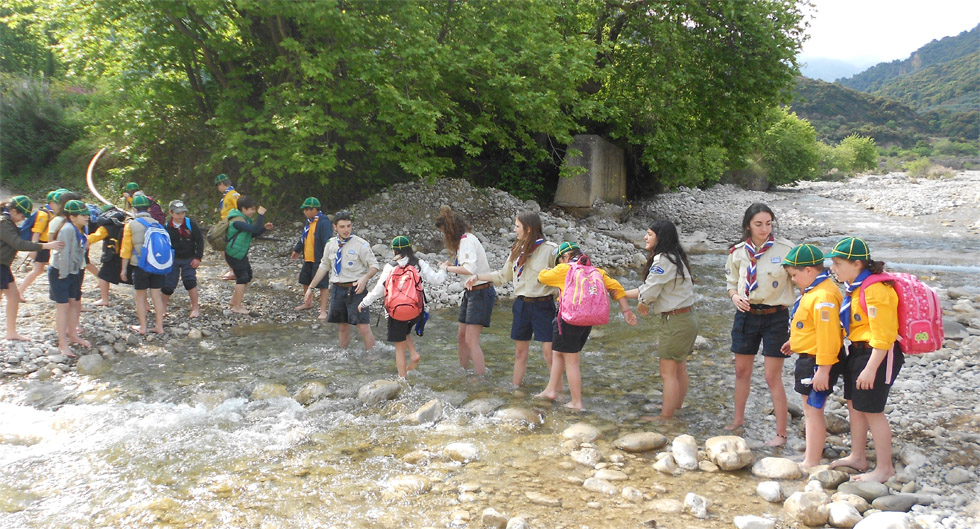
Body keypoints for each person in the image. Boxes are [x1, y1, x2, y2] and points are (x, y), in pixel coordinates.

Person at [828, 237, 904, 483]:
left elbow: (884, 335)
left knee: (872, 410)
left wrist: (871, 368)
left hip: (878, 354)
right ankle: (858, 456)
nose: (833, 269)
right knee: (855, 405)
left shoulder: (875, 289)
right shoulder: (856, 287)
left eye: (838, 264)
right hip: (858, 351)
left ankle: (885, 468)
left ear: (857, 264)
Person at [724, 203, 795, 446]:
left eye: (768, 223)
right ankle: (738, 420)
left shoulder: (786, 250)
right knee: (741, 371)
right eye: (758, 224)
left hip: (776, 316)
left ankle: (781, 433)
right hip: (746, 315)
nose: (765, 228)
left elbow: (802, 280)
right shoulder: (738, 252)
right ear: (748, 226)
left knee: (771, 377)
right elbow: (731, 282)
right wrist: (735, 296)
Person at [535, 242, 638, 410]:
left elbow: (543, 278)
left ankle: (576, 402)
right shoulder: (597, 271)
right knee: (558, 353)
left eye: (559, 260)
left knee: (572, 361)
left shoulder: (565, 269)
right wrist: (626, 311)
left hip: (567, 320)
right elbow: (617, 288)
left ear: (565, 257)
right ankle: (550, 390)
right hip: (587, 321)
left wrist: (545, 269)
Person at [466, 211, 558, 386]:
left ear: (529, 229)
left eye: (517, 226)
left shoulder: (550, 250)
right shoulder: (517, 250)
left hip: (544, 305)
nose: (514, 230)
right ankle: (516, 390)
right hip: (521, 305)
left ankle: (556, 393)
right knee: (519, 353)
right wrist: (478, 277)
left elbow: (564, 276)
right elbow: (503, 276)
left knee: (549, 354)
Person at [623, 220, 698, 421]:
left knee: (667, 371)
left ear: (660, 237)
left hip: (675, 321)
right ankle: (675, 405)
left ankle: (665, 417)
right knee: (679, 366)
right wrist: (621, 293)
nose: (645, 237)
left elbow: (648, 292)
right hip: (687, 318)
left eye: (649, 234)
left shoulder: (662, 260)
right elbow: (649, 290)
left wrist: (643, 302)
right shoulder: (676, 258)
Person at [778, 243, 844, 469]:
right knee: (810, 409)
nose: (793, 280)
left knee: (812, 410)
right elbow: (810, 327)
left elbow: (828, 335)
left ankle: (812, 460)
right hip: (810, 355)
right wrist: (794, 342)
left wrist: (824, 370)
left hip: (817, 360)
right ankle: (811, 453)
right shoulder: (816, 290)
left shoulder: (823, 295)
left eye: (794, 275)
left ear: (808, 271)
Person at [358, 236, 446, 378]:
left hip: (396, 312)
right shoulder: (418, 263)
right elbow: (437, 279)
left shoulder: (390, 267)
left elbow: (379, 290)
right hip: (416, 311)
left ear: (394, 251)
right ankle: (413, 354)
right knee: (405, 329)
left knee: (399, 346)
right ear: (410, 248)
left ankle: (402, 380)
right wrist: (444, 269)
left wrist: (364, 303)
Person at [436, 206, 495, 375]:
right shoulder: (464, 242)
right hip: (471, 292)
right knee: (462, 336)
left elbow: (469, 268)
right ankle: (463, 371)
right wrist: (451, 265)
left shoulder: (466, 241)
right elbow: (465, 266)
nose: (444, 237)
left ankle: (480, 377)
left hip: (481, 292)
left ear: (450, 230)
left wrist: (447, 269)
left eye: (443, 232)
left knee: (470, 339)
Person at [305, 211, 378, 349]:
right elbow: (324, 266)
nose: (346, 230)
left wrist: (365, 278)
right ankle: (344, 355)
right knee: (343, 327)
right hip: (338, 289)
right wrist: (311, 288)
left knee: (363, 327)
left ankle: (372, 357)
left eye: (349, 226)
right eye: (342, 227)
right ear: (335, 227)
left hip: (356, 289)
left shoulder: (361, 245)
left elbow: (374, 266)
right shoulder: (330, 245)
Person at [1, 196, 65, 341]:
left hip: (3, 266)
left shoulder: (8, 222)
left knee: (14, 297)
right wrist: (45, 246)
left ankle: (11, 332)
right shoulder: (3, 223)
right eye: (21, 215)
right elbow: (18, 244)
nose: (22, 219)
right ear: (12, 211)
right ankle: (10, 332)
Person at [48, 200, 93, 357]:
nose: (87, 217)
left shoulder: (77, 228)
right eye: (83, 215)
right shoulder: (67, 229)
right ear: (72, 216)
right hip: (61, 272)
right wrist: (65, 276)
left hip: (73, 271)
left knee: (74, 303)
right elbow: (63, 256)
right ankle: (63, 343)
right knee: (63, 306)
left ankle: (73, 335)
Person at [119, 194, 167, 334]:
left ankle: (143, 327)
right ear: (148, 208)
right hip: (157, 265)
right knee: (156, 295)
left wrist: (123, 269)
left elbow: (126, 249)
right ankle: (159, 326)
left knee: (140, 296)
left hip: (140, 265)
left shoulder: (131, 225)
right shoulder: (157, 223)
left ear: (134, 209)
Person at [224, 196, 274, 315]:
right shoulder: (237, 221)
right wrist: (261, 215)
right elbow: (254, 228)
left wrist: (264, 229)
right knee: (242, 277)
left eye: (253, 209)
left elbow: (253, 233)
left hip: (240, 253)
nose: (252, 212)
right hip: (234, 253)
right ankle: (237, 306)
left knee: (248, 275)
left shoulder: (244, 220)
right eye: (251, 209)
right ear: (243, 209)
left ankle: (233, 300)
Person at [291, 197, 333, 319]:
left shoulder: (323, 222)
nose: (304, 212)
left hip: (319, 258)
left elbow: (327, 241)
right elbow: (303, 237)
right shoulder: (309, 222)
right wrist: (297, 250)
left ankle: (323, 310)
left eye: (306, 209)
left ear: (313, 210)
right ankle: (307, 302)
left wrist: (327, 257)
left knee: (322, 284)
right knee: (305, 279)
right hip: (308, 257)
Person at [162, 200, 204, 318]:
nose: (181, 216)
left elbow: (200, 241)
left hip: (189, 258)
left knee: (190, 281)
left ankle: (195, 308)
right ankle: (162, 308)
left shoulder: (190, 224)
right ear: (171, 213)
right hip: (173, 259)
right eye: (178, 213)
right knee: (168, 285)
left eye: (183, 213)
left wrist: (198, 257)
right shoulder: (167, 227)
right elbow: (164, 244)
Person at [17, 189, 61, 300]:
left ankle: (57, 293)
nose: (59, 205)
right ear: (50, 203)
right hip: (43, 245)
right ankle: (20, 291)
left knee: (48, 269)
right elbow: (37, 233)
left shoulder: (53, 213)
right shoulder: (44, 214)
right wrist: (33, 249)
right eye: (57, 203)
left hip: (49, 244)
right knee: (37, 270)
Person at [87, 205, 130, 306]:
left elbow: (94, 237)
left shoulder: (105, 227)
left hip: (112, 255)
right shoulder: (126, 223)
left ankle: (104, 299)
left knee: (103, 276)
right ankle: (145, 304)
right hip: (126, 256)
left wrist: (81, 238)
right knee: (136, 283)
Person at [215, 173, 241, 281]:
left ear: (221, 184)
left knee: (224, 246)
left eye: (218, 185)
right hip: (226, 223)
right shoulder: (227, 195)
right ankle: (233, 269)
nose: (217, 188)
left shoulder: (233, 194)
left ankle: (233, 270)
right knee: (223, 246)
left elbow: (240, 208)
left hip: (231, 224)